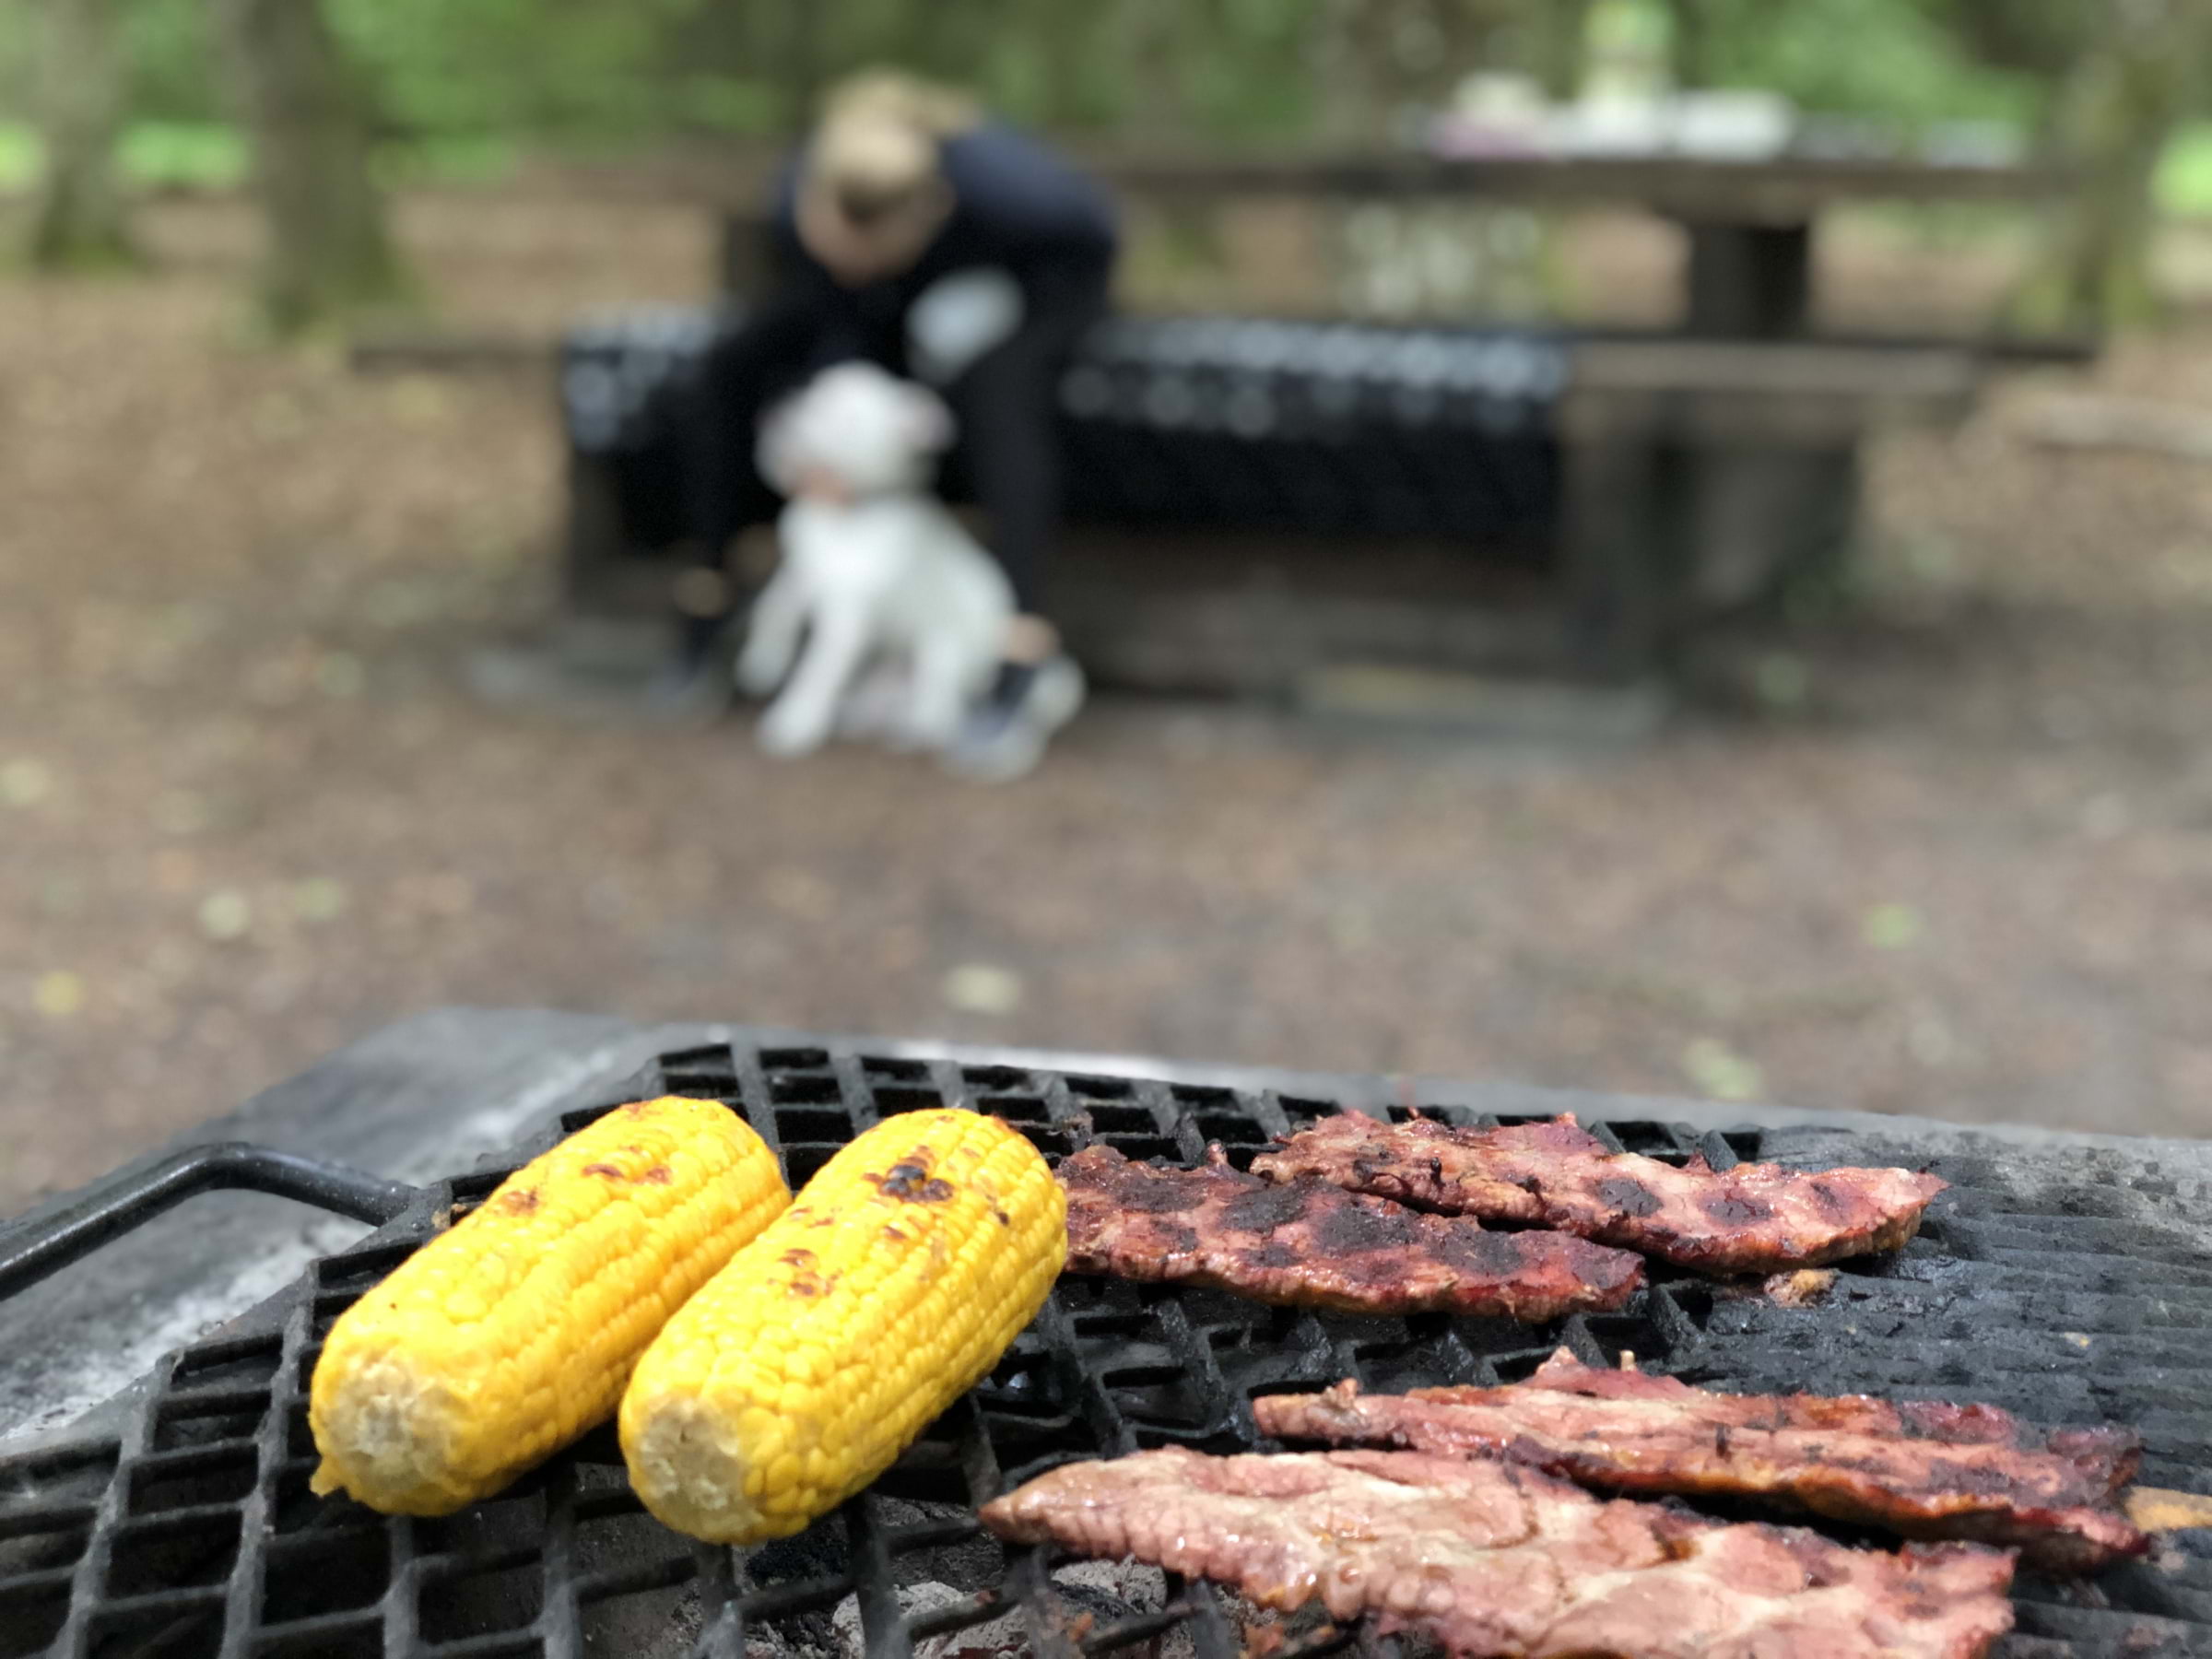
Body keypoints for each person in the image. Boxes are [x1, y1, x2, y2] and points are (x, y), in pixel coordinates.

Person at [665, 70, 1116, 779]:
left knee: (1000, 397)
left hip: (1029, 294)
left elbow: (1093, 246)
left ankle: (1020, 645)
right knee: (730, 367)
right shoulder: (804, 191)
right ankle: (710, 592)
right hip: (891, 301)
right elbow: (840, 315)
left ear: (930, 211)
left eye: (871, 244)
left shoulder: (1013, 195)